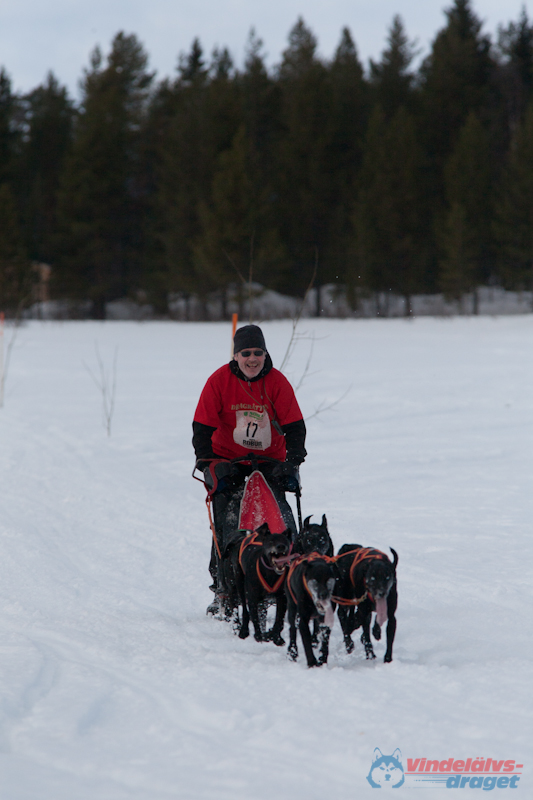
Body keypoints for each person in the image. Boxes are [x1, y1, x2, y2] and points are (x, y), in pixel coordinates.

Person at [192, 324, 306, 612]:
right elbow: (201, 428)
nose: (252, 359)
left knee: (280, 522)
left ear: (266, 354)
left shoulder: (278, 382)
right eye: (246, 353)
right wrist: (208, 464)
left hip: (270, 463)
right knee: (227, 528)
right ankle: (225, 591)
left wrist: (292, 463)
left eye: (258, 353)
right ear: (236, 356)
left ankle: (285, 584)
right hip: (227, 462)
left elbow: (295, 428)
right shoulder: (218, 381)